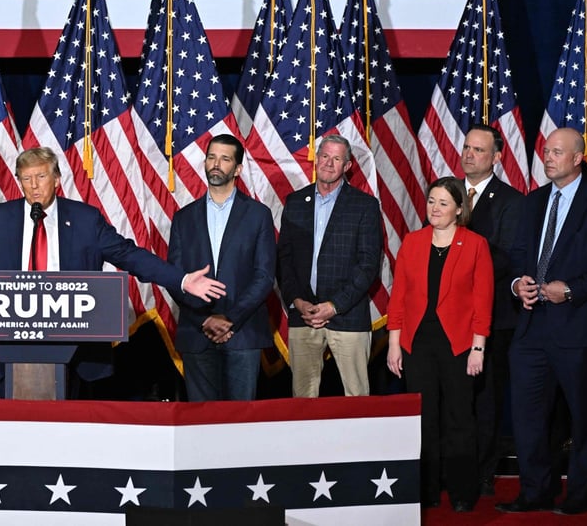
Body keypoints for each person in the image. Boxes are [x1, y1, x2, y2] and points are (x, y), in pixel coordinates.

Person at [0, 146, 226, 394]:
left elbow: (130, 256)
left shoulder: (85, 220)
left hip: (73, 355)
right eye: (26, 179)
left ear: (57, 179)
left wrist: (181, 279)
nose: (33, 186)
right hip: (5, 351)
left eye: (40, 177)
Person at [497, 128, 587, 516]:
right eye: (546, 150)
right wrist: (518, 284)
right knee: (528, 415)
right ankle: (535, 490)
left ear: (577, 159)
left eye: (556, 152)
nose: (547, 157)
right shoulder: (534, 201)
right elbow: (518, 255)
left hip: (580, 327)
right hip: (531, 328)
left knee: (583, 416)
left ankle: (579, 492)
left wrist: (569, 290)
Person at [387, 176, 492, 512]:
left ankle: (462, 492)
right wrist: (393, 344)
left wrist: (478, 348)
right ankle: (426, 490)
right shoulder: (412, 241)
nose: (435, 208)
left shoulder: (475, 244)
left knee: (459, 417)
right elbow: (399, 297)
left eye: (443, 203)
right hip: (416, 343)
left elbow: (482, 301)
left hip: (459, 344)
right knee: (423, 418)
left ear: (459, 209)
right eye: (431, 201)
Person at [167, 134, 275, 401]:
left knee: (240, 419)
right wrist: (204, 320)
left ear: (237, 169)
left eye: (225, 159)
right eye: (212, 157)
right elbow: (175, 277)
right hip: (196, 332)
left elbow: (264, 276)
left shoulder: (258, 215)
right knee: (200, 420)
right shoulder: (183, 218)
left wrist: (229, 319)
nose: (216, 164)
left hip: (243, 332)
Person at [276, 134, 382, 397]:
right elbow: (284, 259)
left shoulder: (365, 206)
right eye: (324, 156)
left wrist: (334, 306)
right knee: (303, 401)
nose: (328, 163)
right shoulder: (295, 202)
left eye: (336, 158)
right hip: (304, 315)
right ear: (316, 159)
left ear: (347, 166)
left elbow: (368, 265)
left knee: (357, 399)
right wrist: (297, 301)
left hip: (348, 316)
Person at [459, 124, 523, 496]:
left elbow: (505, 258)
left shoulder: (511, 201)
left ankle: (483, 471)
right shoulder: (447, 193)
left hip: (493, 318)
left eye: (479, 150)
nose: (469, 154)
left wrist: (454, 271)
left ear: (497, 157)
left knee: (486, 398)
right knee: (455, 398)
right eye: (467, 147)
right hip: (448, 318)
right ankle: (453, 466)